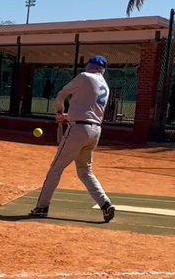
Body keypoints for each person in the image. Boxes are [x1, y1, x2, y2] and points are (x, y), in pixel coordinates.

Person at [29, 56, 116, 223]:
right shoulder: (104, 85)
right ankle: (105, 204)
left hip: (78, 130)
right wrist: (67, 117)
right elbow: (89, 112)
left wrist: (59, 111)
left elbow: (62, 94)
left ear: (90, 66)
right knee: (85, 171)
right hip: (95, 131)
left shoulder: (84, 76)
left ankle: (42, 207)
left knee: (56, 169)